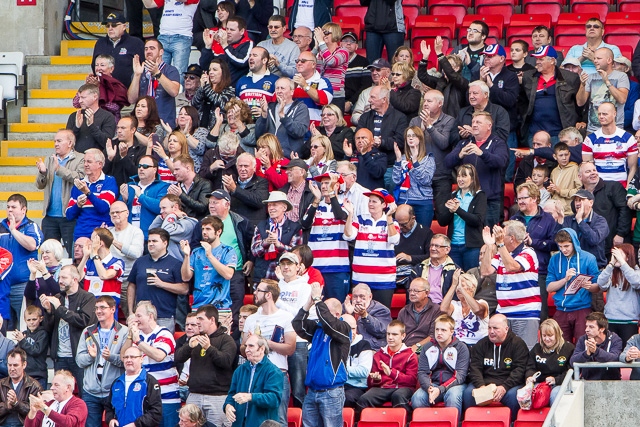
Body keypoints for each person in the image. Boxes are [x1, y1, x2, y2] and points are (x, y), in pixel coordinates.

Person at [292, 284, 350, 427]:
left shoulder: (343, 328)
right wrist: (309, 303)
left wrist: (318, 299)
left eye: (324, 310)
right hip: (312, 391)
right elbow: (297, 324)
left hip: (332, 392)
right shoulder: (318, 329)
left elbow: (329, 323)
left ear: (336, 314)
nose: (320, 314)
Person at [241, 280, 295, 425]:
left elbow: (290, 348)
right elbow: (242, 349)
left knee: (279, 418)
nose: (254, 293)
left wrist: (265, 343)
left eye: (258, 290)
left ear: (269, 295)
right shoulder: (251, 319)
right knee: (254, 416)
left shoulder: (286, 317)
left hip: (278, 371)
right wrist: (249, 344)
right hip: (255, 372)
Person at [480, 221, 541, 349]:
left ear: (511, 238)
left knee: (525, 350)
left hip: (525, 312)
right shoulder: (501, 253)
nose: (499, 237)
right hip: (504, 313)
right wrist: (489, 245)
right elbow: (485, 271)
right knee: (504, 351)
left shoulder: (528, 253)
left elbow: (512, 266)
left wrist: (500, 244)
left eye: (502, 234)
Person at [174, 304, 236, 427]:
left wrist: (209, 348)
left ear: (212, 319)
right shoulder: (195, 339)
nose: (198, 323)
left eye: (201, 319)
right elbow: (178, 358)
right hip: (194, 394)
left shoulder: (226, 340)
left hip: (217, 396)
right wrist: (188, 346)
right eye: (197, 319)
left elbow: (226, 362)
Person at [445, 111, 509, 227]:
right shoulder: (464, 142)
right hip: (467, 198)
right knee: (469, 237)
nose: (474, 125)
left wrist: (482, 153)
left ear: (489, 126)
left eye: (478, 122)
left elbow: (501, 161)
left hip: (489, 199)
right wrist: (459, 155)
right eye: (473, 122)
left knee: (488, 237)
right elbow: (447, 162)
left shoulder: (498, 143)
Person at [41, 265, 96, 397]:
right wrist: (48, 311)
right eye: (59, 277)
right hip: (60, 356)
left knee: (85, 394)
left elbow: (84, 321)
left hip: (79, 355)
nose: (60, 280)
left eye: (64, 277)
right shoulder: (58, 297)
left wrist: (59, 308)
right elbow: (48, 328)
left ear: (75, 279)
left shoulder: (87, 297)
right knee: (59, 395)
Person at [121, 301, 179, 427]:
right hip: (145, 398)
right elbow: (123, 357)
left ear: (151, 316)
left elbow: (158, 356)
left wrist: (138, 341)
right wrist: (130, 336)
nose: (135, 320)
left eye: (139, 316)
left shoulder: (164, 333)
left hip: (166, 397)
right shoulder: (138, 335)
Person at [463, 314, 529, 420]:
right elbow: (475, 368)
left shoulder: (518, 344)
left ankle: (512, 423)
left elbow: (520, 369)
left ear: (506, 329)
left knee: (513, 396)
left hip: (508, 385)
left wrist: (504, 387)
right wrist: (481, 386)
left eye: (495, 328)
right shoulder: (481, 344)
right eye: (489, 328)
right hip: (484, 383)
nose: (491, 331)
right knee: (468, 393)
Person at [511, 182, 561, 320]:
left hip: (539, 272)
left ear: (534, 198)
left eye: (523, 198)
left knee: (541, 313)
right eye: (518, 198)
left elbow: (555, 244)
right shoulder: (514, 218)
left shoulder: (548, 219)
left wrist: (534, 243)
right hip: (518, 272)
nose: (520, 201)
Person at [76, 296, 128, 427]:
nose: (98, 311)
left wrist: (111, 357)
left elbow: (128, 361)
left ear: (112, 309)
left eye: (102, 307)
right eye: (96, 308)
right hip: (90, 391)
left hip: (114, 389)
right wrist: (90, 357)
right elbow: (79, 360)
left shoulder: (124, 332)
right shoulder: (87, 332)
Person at [343, 188, 399, 308]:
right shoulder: (360, 219)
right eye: (369, 201)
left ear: (384, 204)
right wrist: (350, 214)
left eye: (374, 201)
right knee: (359, 315)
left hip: (383, 280)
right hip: (361, 279)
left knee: (382, 316)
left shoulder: (392, 222)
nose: (370, 204)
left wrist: (389, 218)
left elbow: (394, 240)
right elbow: (348, 235)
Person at [36, 129, 85, 257]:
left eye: (59, 141)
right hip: (50, 216)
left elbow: (80, 179)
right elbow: (40, 185)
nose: (55, 144)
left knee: (73, 253)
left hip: (69, 216)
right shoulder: (49, 159)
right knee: (48, 254)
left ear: (70, 143)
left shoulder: (80, 158)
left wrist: (60, 170)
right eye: (54, 141)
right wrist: (42, 173)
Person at [126, 228, 187, 331]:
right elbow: (132, 286)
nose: (150, 244)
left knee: (162, 346)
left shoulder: (175, 264)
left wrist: (162, 284)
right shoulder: (140, 262)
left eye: (154, 241)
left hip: (164, 316)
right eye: (149, 241)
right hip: (141, 316)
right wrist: (131, 312)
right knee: (139, 345)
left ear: (165, 243)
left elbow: (184, 289)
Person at [301, 173, 350, 300]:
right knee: (314, 305)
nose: (323, 186)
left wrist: (332, 194)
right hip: (316, 266)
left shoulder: (346, 204)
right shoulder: (315, 206)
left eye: (327, 183)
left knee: (336, 305)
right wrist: (316, 200)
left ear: (337, 185)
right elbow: (305, 223)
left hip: (337, 268)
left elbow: (340, 216)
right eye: (322, 183)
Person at [411, 315, 469, 419]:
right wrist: (429, 388)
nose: (439, 333)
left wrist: (441, 389)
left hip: (455, 385)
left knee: (453, 396)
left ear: (451, 332)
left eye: (443, 330)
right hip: (433, 384)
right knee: (417, 398)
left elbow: (460, 376)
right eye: (437, 329)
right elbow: (422, 372)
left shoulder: (461, 348)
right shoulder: (427, 347)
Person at [520, 45, 580, 143]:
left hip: (561, 133)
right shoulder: (528, 76)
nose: (537, 62)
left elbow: (579, 104)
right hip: (535, 133)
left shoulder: (570, 78)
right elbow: (522, 102)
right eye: (537, 59)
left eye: (541, 59)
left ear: (552, 60)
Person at [0, 194, 43, 329]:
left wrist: (13, 230)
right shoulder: (1, 227)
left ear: (23, 210)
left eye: (14, 207)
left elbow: (32, 245)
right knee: (5, 324)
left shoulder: (31, 226)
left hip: (23, 285)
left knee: (25, 325)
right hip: (3, 284)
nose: (10, 210)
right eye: (8, 207)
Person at [356, 320, 417, 413]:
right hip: (383, 388)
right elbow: (370, 382)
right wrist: (375, 379)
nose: (390, 337)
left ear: (403, 336)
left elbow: (412, 381)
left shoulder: (410, 355)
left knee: (398, 396)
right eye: (388, 334)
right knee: (364, 399)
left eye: (394, 334)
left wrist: (391, 373)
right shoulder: (378, 355)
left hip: (403, 388)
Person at [224, 334, 283, 427]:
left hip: (262, 423)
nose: (246, 349)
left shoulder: (274, 372)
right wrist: (227, 406)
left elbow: (274, 399)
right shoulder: (240, 370)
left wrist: (250, 397)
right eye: (246, 346)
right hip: (239, 423)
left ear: (262, 349)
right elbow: (232, 394)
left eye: (251, 346)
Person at [479, 44, 519, 180]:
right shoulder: (479, 74)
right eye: (485, 56)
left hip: (506, 129)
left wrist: (491, 85)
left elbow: (510, 100)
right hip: (483, 130)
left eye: (491, 56)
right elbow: (472, 99)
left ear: (502, 58)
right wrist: (480, 82)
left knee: (505, 173)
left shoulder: (511, 76)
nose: (487, 58)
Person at [180, 216, 237, 311]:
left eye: (208, 229)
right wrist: (186, 256)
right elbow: (185, 277)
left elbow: (228, 274)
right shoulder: (196, 251)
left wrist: (210, 255)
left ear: (218, 232)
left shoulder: (228, 250)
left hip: (221, 307)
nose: (204, 232)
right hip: (198, 306)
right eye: (203, 229)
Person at [439, 164, 486, 272]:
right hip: (453, 245)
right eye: (459, 176)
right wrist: (450, 211)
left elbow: (477, 220)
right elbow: (442, 221)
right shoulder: (452, 195)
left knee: (471, 278)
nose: (460, 179)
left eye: (464, 176)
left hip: (471, 246)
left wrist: (457, 210)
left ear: (473, 179)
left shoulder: (479, 196)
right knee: (455, 278)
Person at [578, 161, 630, 257]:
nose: (593, 173)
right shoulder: (579, 196)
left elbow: (625, 210)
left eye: (594, 170)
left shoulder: (613, 187)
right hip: (591, 247)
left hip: (614, 243)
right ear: (580, 177)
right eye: (588, 171)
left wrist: (621, 234)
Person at [357, 85, 407, 183]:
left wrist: (382, 142)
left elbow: (400, 141)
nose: (369, 100)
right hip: (368, 166)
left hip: (390, 168)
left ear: (384, 99)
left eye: (373, 97)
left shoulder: (400, 117)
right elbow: (358, 137)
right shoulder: (364, 117)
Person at [65, 149, 119, 242]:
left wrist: (88, 193)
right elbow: (69, 215)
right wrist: (78, 205)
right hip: (80, 235)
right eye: (84, 161)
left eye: (89, 161)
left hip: (101, 236)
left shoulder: (109, 181)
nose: (85, 164)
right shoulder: (79, 183)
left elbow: (103, 207)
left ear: (100, 164)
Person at [250, 191, 303, 282]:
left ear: (284, 207)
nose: (271, 208)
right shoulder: (261, 226)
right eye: (269, 205)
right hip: (262, 277)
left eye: (274, 205)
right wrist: (266, 242)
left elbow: (296, 256)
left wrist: (278, 245)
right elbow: (254, 252)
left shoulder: (295, 228)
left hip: (285, 278)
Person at [105, 345, 162, 427]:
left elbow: (156, 412)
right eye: (126, 357)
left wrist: (136, 424)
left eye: (132, 357)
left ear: (141, 359)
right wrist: (110, 419)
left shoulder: (150, 381)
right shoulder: (117, 382)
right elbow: (108, 407)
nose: (129, 360)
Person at [582, 102, 637, 187]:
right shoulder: (590, 139)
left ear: (614, 114)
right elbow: (587, 168)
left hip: (621, 186)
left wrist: (628, 188)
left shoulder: (628, 138)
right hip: (599, 187)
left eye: (605, 114)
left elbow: (633, 168)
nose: (601, 116)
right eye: (599, 114)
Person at [127, 39, 181, 125]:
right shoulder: (139, 71)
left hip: (164, 122)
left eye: (152, 48)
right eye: (146, 49)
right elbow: (131, 99)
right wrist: (137, 75)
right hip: (143, 123)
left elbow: (174, 92)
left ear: (161, 52)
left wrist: (157, 74)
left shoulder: (170, 70)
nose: (148, 51)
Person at [596, 244, 640, 347]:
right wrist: (611, 264)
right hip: (611, 319)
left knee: (627, 353)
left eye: (619, 255)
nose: (616, 258)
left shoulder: (636, 272)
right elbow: (601, 284)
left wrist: (623, 263)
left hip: (629, 321)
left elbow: (636, 282)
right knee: (610, 353)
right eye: (615, 255)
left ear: (628, 257)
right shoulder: (611, 272)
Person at [255, 77, 311, 157]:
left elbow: (299, 132)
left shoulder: (301, 108)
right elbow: (258, 135)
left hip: (289, 159)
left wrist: (283, 116)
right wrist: (264, 115)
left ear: (292, 91)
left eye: (282, 88)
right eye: (277, 88)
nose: (279, 91)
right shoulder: (269, 107)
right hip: (269, 157)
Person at [577, 49, 630, 134]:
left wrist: (607, 81)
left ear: (609, 60)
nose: (595, 61)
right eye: (594, 58)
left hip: (615, 129)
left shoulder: (621, 76)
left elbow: (622, 99)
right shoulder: (591, 77)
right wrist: (582, 85)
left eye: (598, 58)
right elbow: (580, 102)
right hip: (593, 130)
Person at [392, 126, 435, 226]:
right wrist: (398, 161)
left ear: (420, 139)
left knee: (422, 234)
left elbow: (426, 180)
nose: (410, 138)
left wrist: (415, 162)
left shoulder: (428, 159)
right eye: (408, 136)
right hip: (404, 201)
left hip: (423, 202)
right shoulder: (402, 158)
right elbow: (396, 180)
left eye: (414, 136)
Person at [526, 319, 575, 406]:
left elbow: (570, 372)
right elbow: (530, 367)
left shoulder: (568, 348)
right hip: (540, 383)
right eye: (544, 336)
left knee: (555, 394)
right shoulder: (537, 348)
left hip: (559, 384)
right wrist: (530, 376)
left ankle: (554, 419)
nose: (547, 339)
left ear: (557, 334)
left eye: (550, 335)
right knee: (529, 393)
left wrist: (555, 380)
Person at [120, 156, 169, 242]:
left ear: (155, 169)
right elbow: (116, 211)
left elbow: (160, 207)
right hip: (129, 237)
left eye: (145, 166)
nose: (141, 169)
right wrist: (124, 201)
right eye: (139, 166)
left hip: (150, 238)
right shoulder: (129, 186)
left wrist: (140, 196)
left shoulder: (163, 186)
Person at [77, 228, 125, 313]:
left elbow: (104, 275)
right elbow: (77, 278)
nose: (89, 243)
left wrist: (95, 254)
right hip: (89, 309)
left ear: (100, 243)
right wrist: (85, 256)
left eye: (92, 240)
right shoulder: (89, 262)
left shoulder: (117, 262)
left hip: (108, 311)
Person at [92, 12, 145, 88]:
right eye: (107, 25)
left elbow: (143, 66)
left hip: (129, 91)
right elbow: (94, 65)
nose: (110, 28)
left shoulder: (136, 43)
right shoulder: (100, 43)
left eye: (114, 25)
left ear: (124, 26)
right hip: (105, 91)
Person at [418, 40, 469, 119]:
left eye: (449, 65)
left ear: (457, 68)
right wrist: (425, 58)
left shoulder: (462, 82)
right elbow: (422, 76)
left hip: (455, 120)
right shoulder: (440, 81)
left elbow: (451, 75)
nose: (445, 68)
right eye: (444, 66)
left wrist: (440, 54)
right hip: (438, 119)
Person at [452, 80, 510, 145]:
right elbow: (452, 138)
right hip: (467, 152)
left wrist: (475, 134)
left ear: (486, 94)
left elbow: (502, 137)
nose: (471, 97)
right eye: (469, 94)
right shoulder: (462, 112)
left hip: (491, 153)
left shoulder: (499, 112)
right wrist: (461, 136)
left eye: (475, 93)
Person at [562, 190, 610, 269]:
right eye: (576, 200)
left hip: (595, 268)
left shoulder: (600, 221)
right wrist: (560, 222)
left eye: (581, 200)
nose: (577, 203)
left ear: (591, 203)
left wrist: (580, 221)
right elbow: (560, 241)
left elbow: (594, 240)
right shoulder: (568, 220)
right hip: (572, 267)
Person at [75, 55, 130, 122]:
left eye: (102, 65)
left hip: (110, 122)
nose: (99, 68)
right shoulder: (91, 83)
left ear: (111, 69)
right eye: (96, 65)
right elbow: (76, 103)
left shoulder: (115, 85)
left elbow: (114, 107)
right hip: (90, 119)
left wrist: (98, 89)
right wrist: (87, 86)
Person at [201, 17, 254, 86]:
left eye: (232, 30)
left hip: (234, 90)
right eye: (227, 29)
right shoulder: (221, 43)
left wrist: (225, 46)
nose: (228, 32)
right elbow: (205, 66)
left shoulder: (248, 43)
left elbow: (242, 62)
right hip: (216, 89)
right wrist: (208, 47)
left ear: (242, 31)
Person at [570, 311, 623, 380]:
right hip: (587, 381)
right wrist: (586, 353)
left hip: (611, 382)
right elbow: (572, 361)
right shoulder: (583, 339)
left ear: (602, 329)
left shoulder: (615, 339)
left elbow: (615, 358)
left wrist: (596, 351)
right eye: (586, 326)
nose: (586, 330)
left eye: (591, 327)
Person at [441, 272, 490, 346]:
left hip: (478, 345)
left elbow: (477, 310)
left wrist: (462, 290)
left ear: (472, 287)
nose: (458, 288)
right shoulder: (455, 305)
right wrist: (453, 285)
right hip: (457, 346)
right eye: (457, 286)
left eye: (461, 285)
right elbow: (443, 309)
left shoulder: (482, 303)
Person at [66, 84, 116, 154]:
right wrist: (76, 127)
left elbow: (107, 142)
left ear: (95, 97)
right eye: (79, 97)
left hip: (97, 160)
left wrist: (92, 126)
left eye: (83, 97)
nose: (80, 101)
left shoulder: (108, 117)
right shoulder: (75, 116)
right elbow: (66, 142)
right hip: (76, 160)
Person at [397, 278, 444, 351]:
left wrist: (417, 346)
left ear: (427, 293)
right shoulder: (404, 311)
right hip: (405, 348)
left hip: (427, 349)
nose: (412, 293)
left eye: (416, 291)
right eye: (410, 290)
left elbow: (434, 335)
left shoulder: (436, 310)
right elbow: (397, 333)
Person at [0, 348, 43, 427]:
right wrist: (6, 406)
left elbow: (38, 414)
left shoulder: (34, 386)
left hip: (23, 424)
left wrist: (16, 403)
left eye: (15, 365)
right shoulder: (0, 384)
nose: (12, 369)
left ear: (24, 365)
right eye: (9, 365)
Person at [225, 152, 270, 227]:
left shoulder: (262, 182)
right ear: (236, 167)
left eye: (246, 166)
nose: (243, 169)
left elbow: (259, 201)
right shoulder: (231, 181)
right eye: (240, 166)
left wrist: (235, 189)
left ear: (254, 168)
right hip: (234, 225)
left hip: (253, 226)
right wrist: (226, 192)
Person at [394, 204, 432, 291]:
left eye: (404, 224)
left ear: (413, 219)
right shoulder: (393, 231)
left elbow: (430, 257)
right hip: (394, 270)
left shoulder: (425, 233)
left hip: (415, 271)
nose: (399, 227)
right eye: (397, 223)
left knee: (413, 281)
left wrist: (410, 258)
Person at [412, 234, 459, 306]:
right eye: (431, 245)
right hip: (422, 307)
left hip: (444, 309)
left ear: (447, 250)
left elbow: (457, 298)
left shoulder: (455, 271)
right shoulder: (418, 269)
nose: (433, 248)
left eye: (437, 246)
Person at [343, 284, 391, 352]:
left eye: (362, 297)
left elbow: (381, 332)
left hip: (370, 348)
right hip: (347, 347)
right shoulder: (345, 307)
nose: (358, 300)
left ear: (370, 296)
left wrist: (365, 316)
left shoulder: (382, 310)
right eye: (355, 297)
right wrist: (348, 314)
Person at [292, 51, 334, 125]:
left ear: (313, 64)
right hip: (293, 126)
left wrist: (305, 86)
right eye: (297, 61)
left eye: (303, 61)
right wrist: (292, 88)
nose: (299, 63)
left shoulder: (323, 82)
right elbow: (280, 100)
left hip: (314, 127)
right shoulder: (290, 81)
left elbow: (325, 101)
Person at [192, 59, 235, 131]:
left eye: (215, 70)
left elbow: (220, 103)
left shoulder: (230, 91)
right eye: (210, 70)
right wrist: (201, 88)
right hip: (200, 130)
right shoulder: (205, 89)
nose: (211, 72)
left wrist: (207, 87)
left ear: (223, 73)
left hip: (218, 131)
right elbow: (194, 104)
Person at [313, 23, 349, 111]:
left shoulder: (343, 51)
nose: (323, 35)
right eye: (322, 33)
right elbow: (308, 65)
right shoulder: (320, 53)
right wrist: (316, 46)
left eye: (326, 33)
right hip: (321, 93)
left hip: (335, 95)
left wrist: (321, 42)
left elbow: (332, 62)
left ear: (335, 34)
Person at [13, 306, 49, 390]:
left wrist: (22, 341)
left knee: (38, 401)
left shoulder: (43, 334)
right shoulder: (24, 334)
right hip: (25, 375)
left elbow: (36, 350)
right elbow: (19, 353)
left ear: (41, 319)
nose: (31, 322)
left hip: (39, 376)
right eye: (28, 320)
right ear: (25, 320)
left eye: (34, 319)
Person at [167, 155, 213, 220]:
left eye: (177, 169)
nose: (174, 173)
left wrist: (181, 195)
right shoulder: (176, 187)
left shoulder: (205, 184)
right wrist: (170, 199)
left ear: (188, 168)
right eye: (174, 170)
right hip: (180, 225)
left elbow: (202, 207)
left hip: (199, 224)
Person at [342, 314, 373, 408]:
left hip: (356, 387)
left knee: (346, 398)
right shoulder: (333, 344)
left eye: (353, 328)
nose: (352, 332)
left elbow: (364, 372)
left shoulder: (364, 345)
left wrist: (341, 370)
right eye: (348, 329)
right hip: (336, 386)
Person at [351, 58, 392, 126]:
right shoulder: (365, 92)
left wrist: (389, 89)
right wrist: (365, 121)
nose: (374, 73)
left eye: (378, 70)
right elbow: (355, 115)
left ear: (388, 72)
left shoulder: (394, 90)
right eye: (372, 70)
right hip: (367, 127)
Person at [342, 32, 371, 115]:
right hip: (338, 99)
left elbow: (366, 86)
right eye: (345, 41)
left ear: (356, 46)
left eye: (352, 41)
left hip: (357, 100)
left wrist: (350, 102)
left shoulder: (363, 62)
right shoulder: (336, 61)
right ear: (340, 44)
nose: (348, 43)